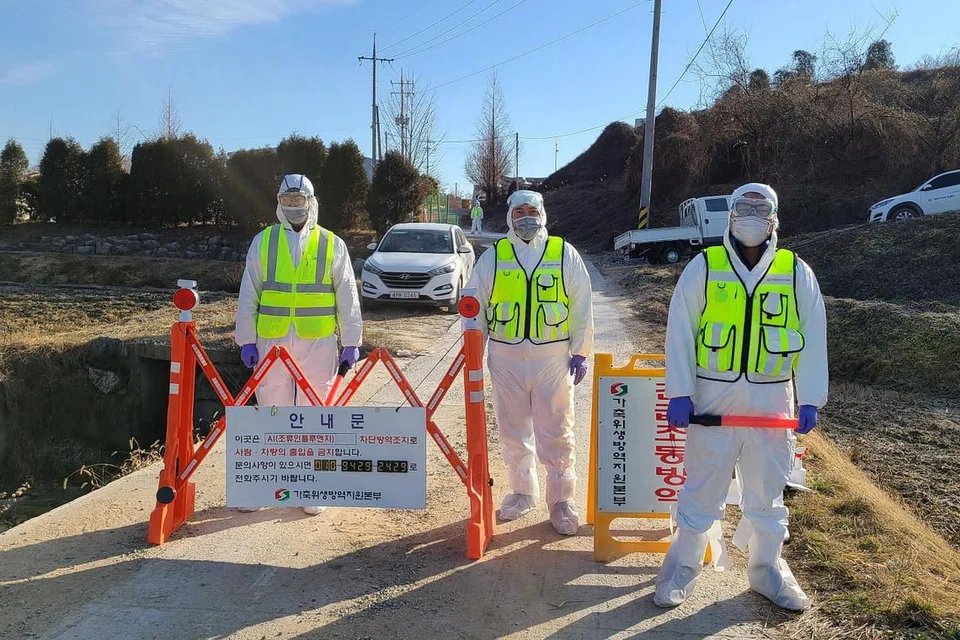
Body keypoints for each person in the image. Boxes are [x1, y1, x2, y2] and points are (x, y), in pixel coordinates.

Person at [653, 183, 827, 611]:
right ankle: (683, 569)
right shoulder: (705, 267)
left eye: (760, 208)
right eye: (743, 207)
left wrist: (810, 398)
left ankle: (768, 572)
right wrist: (679, 391)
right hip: (713, 399)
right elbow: (680, 330)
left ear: (774, 218)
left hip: (772, 402)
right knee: (702, 486)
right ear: (729, 215)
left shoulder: (794, 270)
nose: (751, 215)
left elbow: (813, 336)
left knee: (768, 491)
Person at [465, 190, 595, 536]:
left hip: (552, 358)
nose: (526, 217)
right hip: (505, 358)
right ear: (509, 216)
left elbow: (582, 302)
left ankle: (561, 500)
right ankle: (523, 492)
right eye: (519, 211)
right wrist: (473, 356)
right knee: (512, 430)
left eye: (532, 210)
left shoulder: (563, 253)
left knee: (557, 432)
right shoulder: (493, 257)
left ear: (543, 214)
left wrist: (581, 351)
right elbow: (474, 306)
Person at [235, 174, 363, 516]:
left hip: (317, 342)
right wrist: (246, 338)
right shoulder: (263, 241)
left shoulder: (331, 244)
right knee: (272, 412)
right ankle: (266, 486)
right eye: (287, 201)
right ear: (279, 202)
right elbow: (250, 293)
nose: (293, 208)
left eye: (299, 201)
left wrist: (351, 341)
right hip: (272, 341)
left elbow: (347, 295)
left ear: (311, 202)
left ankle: (311, 485)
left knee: (314, 412)